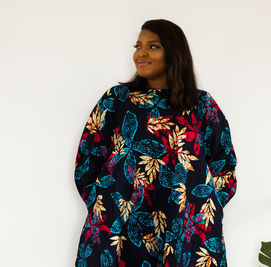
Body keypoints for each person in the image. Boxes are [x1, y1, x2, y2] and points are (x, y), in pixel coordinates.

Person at [74, 19, 237, 267]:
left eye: (153, 46)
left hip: (184, 229)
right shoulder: (117, 100)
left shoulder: (201, 105)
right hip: (121, 224)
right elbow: (89, 156)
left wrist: (200, 208)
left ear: (173, 53)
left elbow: (224, 164)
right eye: (138, 46)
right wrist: (105, 203)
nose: (141, 53)